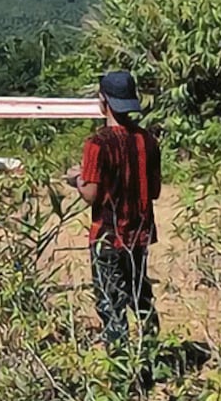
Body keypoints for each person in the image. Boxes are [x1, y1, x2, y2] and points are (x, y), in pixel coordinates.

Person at [65, 70, 162, 353]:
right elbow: (154, 191)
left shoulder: (97, 144)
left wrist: (77, 179)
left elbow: (90, 195)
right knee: (140, 296)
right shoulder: (147, 141)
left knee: (111, 304)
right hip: (139, 235)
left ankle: (121, 365)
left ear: (103, 101)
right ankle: (150, 354)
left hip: (107, 236)